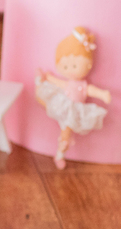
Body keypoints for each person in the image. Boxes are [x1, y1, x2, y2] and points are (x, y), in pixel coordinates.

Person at [35, 27, 111, 169]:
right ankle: (38, 83)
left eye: (75, 65)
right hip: (62, 103)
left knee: (66, 131)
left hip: (74, 110)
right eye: (65, 66)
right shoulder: (68, 83)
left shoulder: (82, 85)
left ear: (88, 64)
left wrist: (102, 95)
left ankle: (60, 152)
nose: (70, 69)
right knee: (44, 100)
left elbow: (91, 90)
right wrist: (47, 77)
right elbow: (56, 82)